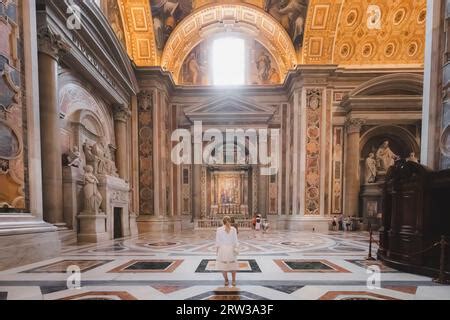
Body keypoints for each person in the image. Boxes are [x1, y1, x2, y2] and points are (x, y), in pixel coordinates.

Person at [215, 216, 239, 287]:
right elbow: (235, 241)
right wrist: (236, 248)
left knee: (223, 266)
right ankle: (234, 281)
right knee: (233, 266)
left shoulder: (219, 229)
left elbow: (217, 241)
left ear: (223, 222)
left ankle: (226, 280)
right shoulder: (234, 229)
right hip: (231, 249)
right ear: (230, 221)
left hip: (222, 249)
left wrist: (217, 251)